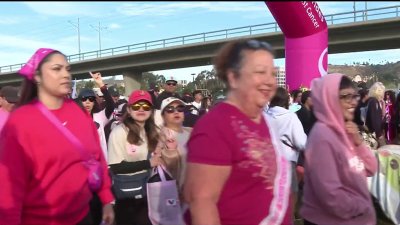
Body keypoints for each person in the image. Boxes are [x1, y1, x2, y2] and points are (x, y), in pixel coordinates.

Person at [0, 48, 114, 225]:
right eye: (56, 69)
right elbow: (8, 187)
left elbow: (97, 157)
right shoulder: (20, 122)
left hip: (84, 216)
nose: (65, 75)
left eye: (67, 69)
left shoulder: (78, 112)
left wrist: (106, 199)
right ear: (37, 76)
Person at [184, 39, 292, 225]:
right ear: (233, 77)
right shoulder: (215, 126)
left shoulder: (264, 119)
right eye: (260, 72)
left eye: (272, 74)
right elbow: (202, 202)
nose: (269, 81)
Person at [300, 73, 377, 225]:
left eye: (354, 96)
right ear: (329, 99)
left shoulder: (347, 129)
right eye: (345, 96)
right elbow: (330, 195)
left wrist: (358, 143)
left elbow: (372, 168)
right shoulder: (322, 136)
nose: (353, 102)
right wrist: (363, 207)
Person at [107, 90, 163, 225]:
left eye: (146, 106)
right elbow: (116, 167)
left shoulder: (154, 130)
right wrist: (148, 163)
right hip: (128, 195)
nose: (141, 109)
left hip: (150, 190)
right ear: (129, 109)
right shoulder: (119, 132)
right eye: (137, 106)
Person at [264, 87, 307, 222]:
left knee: (270, 200)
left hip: (267, 162)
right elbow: (301, 142)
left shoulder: (263, 115)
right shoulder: (290, 117)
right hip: (287, 162)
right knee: (288, 199)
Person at [159, 97, 192, 192]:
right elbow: (167, 168)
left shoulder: (191, 132)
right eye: (170, 109)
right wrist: (170, 151)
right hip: (176, 193)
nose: (176, 112)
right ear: (163, 116)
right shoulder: (161, 136)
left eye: (180, 108)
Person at [365, 82, 386, 146]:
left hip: (375, 132)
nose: (384, 94)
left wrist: (383, 104)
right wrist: (379, 134)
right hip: (375, 133)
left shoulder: (374, 101)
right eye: (383, 91)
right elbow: (374, 119)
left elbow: (382, 115)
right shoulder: (374, 101)